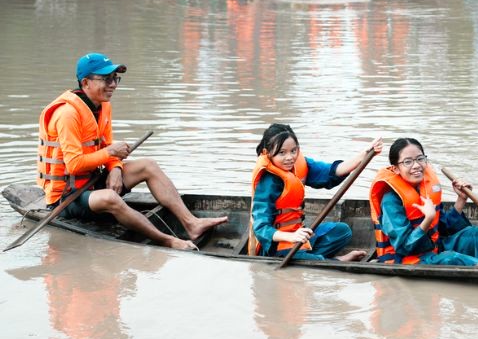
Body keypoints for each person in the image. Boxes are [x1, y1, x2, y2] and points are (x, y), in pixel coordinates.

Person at [37, 53, 228, 250]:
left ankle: (191, 223)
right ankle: (168, 240)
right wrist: (111, 153)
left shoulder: (103, 107)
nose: (113, 85)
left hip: (92, 183)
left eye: (115, 79)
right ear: (86, 83)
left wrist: (116, 168)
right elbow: (74, 164)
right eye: (106, 79)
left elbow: (106, 147)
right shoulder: (67, 114)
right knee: (110, 198)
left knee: (148, 165)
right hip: (67, 198)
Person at [368, 138, 478, 267]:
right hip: (408, 259)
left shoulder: (425, 188)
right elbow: (404, 246)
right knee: (452, 259)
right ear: (396, 169)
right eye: (408, 162)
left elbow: (442, 228)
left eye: (420, 159)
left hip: (433, 248)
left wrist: (461, 200)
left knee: (474, 235)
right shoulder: (391, 200)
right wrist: (427, 219)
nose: (416, 166)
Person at [248, 124, 383, 261]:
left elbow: (331, 171)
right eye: (282, 153)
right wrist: (291, 237)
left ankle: (313, 256)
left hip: (300, 236)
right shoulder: (267, 182)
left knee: (343, 231)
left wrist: (365, 154)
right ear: (268, 152)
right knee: (304, 259)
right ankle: (338, 260)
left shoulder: (300, 164)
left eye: (293, 151)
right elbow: (261, 228)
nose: (289, 157)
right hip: (277, 246)